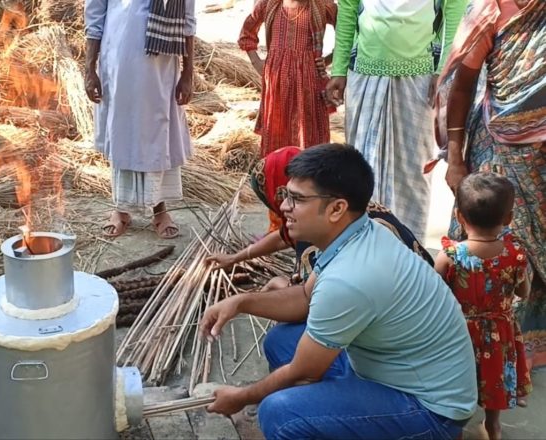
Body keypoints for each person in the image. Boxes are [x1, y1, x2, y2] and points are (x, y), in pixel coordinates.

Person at [201, 144, 477, 440]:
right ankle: (332, 419)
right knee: (281, 341)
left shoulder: (349, 279)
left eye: (297, 199)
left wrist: (241, 397)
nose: (284, 207)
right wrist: (240, 302)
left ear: (337, 209)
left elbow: (303, 372)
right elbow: (305, 299)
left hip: (430, 408)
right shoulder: (359, 233)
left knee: (280, 414)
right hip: (390, 369)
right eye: (286, 196)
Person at [437, 0, 546, 372]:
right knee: (493, 241)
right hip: (498, 146)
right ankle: (473, 344)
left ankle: (523, 347)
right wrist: (454, 157)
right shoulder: (490, 11)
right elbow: (462, 87)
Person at [326, 0, 467, 242]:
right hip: (365, 73)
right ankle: (360, 244)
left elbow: (455, 12)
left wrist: (441, 70)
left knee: (412, 171)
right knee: (360, 166)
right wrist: (339, 69)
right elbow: (348, 10)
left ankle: (409, 246)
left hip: (418, 78)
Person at [207, 146, 433, 284]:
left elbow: (308, 302)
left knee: (281, 338)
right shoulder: (349, 202)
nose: (283, 207)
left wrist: (277, 285)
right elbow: (282, 237)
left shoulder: (319, 237)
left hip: (401, 345)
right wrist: (236, 257)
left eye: (292, 197)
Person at [84, 0, 195, 239]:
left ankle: (160, 210)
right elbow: (94, 15)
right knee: (122, 131)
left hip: (161, 65)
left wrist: (188, 73)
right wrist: (89, 69)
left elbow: (187, 19)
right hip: (119, 62)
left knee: (158, 132)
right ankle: (121, 209)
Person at [434, 173, 532, 440]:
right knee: (494, 377)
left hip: (459, 331)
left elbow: (435, 293)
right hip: (500, 333)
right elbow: (523, 291)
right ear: (508, 219)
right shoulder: (515, 254)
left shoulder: (450, 255)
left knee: (456, 378)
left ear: (459, 216)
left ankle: (453, 427)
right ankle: (493, 427)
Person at [237, 0, 336, 157]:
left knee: (308, 135)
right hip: (276, 85)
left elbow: (347, 32)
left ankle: (309, 177)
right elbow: (247, 31)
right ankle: (277, 176)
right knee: (277, 130)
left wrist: (331, 59)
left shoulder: (321, 5)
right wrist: (256, 61)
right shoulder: (270, 4)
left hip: (308, 83)